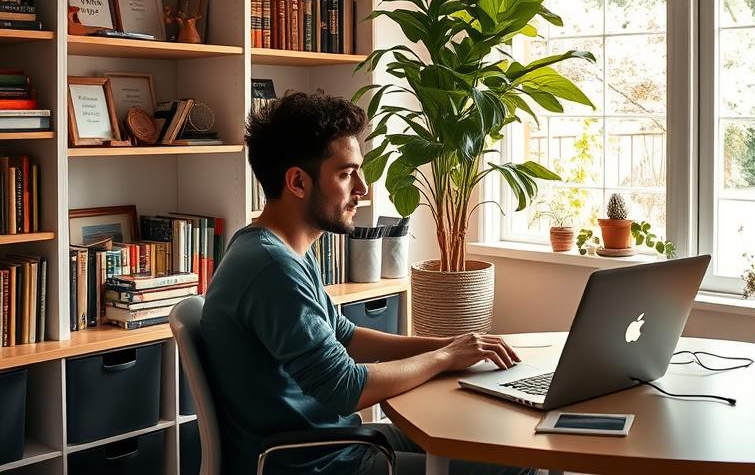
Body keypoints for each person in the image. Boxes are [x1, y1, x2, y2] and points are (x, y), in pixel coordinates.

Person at [201, 91, 533, 475]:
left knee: (496, 441)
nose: (363, 188)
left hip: (331, 442)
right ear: (297, 182)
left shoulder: (280, 249)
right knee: (515, 465)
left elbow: (344, 336)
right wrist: (443, 359)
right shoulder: (271, 267)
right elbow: (345, 388)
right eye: (346, 174)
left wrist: (449, 345)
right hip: (314, 462)